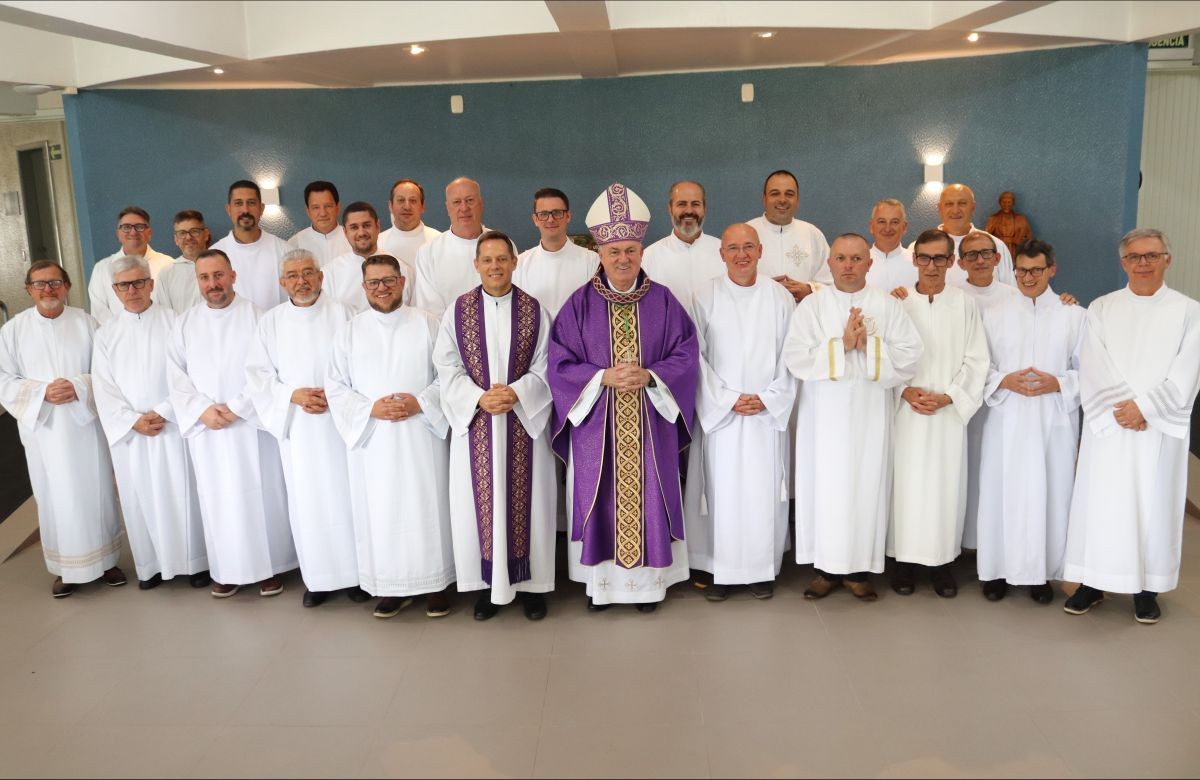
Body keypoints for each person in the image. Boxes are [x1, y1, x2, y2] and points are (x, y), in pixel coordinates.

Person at [548, 183, 700, 612]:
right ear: (599, 253)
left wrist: (652, 375)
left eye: (630, 250)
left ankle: (648, 588)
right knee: (600, 498)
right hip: (598, 427)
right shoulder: (579, 305)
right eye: (614, 251)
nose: (622, 258)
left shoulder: (664, 301)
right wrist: (602, 377)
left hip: (650, 422)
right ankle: (602, 587)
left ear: (641, 252)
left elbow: (687, 354)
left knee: (650, 494)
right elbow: (559, 364)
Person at [1063, 228, 1200, 624]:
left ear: (1167, 259)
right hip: (1111, 426)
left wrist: (1145, 409)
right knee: (1102, 505)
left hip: (1157, 429)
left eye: (1152, 255)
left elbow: (1189, 369)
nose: (1143, 263)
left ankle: (1146, 588)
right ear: (1123, 263)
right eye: (1135, 257)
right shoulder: (1102, 308)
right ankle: (1093, 583)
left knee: (1153, 507)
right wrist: (1124, 410)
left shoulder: (1189, 312)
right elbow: (1091, 362)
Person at [786, 233, 923, 601]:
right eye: (841, 258)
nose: (848, 266)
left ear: (869, 263)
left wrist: (868, 346)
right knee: (825, 488)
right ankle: (824, 570)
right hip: (823, 418)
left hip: (869, 415)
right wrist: (843, 345)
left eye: (856, 258)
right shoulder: (812, 306)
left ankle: (858, 571)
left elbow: (910, 355)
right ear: (829, 263)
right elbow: (795, 357)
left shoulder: (887, 306)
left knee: (865, 486)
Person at [325, 254, 456, 619]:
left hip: (422, 435)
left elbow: (449, 375)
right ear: (363, 287)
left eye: (388, 280)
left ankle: (435, 584)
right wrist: (370, 410)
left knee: (426, 505)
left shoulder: (428, 323)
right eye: (373, 282)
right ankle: (390, 586)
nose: (381, 288)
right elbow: (335, 386)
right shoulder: (349, 332)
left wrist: (421, 402)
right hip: (375, 440)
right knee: (382, 510)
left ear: (401, 282)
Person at [434, 231, 555, 621]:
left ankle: (532, 588)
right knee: (479, 508)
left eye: (502, 258)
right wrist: (477, 397)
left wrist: (518, 393)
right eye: (487, 260)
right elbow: (446, 365)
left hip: (523, 422)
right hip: (477, 423)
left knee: (530, 506)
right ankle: (489, 588)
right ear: (476, 265)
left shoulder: (535, 311)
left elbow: (547, 365)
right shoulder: (457, 312)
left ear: (514, 262)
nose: (495, 266)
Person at [165, 249, 297, 598]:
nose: (213, 283)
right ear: (197, 281)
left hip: (250, 425)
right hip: (208, 428)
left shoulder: (257, 317)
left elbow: (269, 371)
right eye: (205, 277)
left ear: (233, 276)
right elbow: (175, 376)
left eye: (219, 275)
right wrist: (202, 409)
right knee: (218, 498)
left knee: (261, 494)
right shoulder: (184, 323)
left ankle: (269, 568)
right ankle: (227, 569)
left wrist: (238, 407)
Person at [245, 249, 366, 608]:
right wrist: (292, 395)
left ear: (320, 277)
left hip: (340, 425)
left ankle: (358, 576)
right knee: (308, 501)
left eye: (308, 273)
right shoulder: (270, 323)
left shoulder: (345, 313)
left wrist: (337, 395)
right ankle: (318, 579)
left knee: (348, 498)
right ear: (282, 282)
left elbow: (363, 362)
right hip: (299, 428)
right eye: (293, 275)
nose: (302, 281)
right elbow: (258, 375)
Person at [0, 260, 125, 597]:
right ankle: (65, 570)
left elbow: (106, 372)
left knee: (97, 491)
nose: (48, 289)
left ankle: (107, 561)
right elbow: (4, 379)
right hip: (44, 429)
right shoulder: (13, 331)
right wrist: (42, 392)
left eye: (55, 282)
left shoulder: (88, 324)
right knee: (53, 496)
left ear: (67, 286)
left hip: (85, 427)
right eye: (40, 284)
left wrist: (79, 386)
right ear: (28, 289)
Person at [687, 223, 797, 601]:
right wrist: (726, 399)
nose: (741, 255)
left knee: (761, 493)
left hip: (765, 416)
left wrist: (769, 398)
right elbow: (695, 357)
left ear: (760, 251)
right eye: (733, 248)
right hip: (722, 417)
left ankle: (759, 570)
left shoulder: (780, 298)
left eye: (749, 247)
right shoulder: (704, 296)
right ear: (722, 254)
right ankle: (721, 571)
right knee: (722, 493)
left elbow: (790, 355)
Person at [976, 239, 1084, 603]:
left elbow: (1089, 370)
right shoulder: (995, 314)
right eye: (1021, 270)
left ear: (1052, 269)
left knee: (1049, 495)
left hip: (1053, 420)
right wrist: (1003, 380)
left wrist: (1060, 383)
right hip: (1006, 418)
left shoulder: (1074, 315)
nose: (1027, 277)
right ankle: (997, 571)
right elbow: (980, 365)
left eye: (1036, 270)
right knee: (1000, 492)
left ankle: (1041, 574)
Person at [92, 255, 209, 590]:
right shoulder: (106, 335)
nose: (132, 290)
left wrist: (164, 410)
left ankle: (196, 563)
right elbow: (103, 386)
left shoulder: (176, 322)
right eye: (124, 285)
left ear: (151, 284)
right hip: (133, 434)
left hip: (172, 426)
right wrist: (133, 421)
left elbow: (190, 373)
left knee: (183, 493)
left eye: (138, 282)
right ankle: (151, 566)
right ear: (115, 290)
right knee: (140, 497)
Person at [889, 229, 989, 597]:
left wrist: (950, 396)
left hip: (946, 414)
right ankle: (903, 562)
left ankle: (942, 563)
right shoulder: (897, 303)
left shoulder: (964, 304)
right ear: (915, 259)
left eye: (940, 259)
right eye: (925, 258)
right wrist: (903, 390)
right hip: (907, 411)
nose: (931, 266)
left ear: (951, 262)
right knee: (905, 487)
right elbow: (884, 355)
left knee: (944, 488)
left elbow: (977, 359)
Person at [413, 177, 500, 318]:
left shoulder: (502, 245)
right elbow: (430, 313)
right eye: (457, 202)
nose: (464, 208)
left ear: (481, 203)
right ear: (448, 208)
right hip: (448, 331)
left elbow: (511, 298)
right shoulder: (428, 253)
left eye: (470, 200)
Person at [747, 170, 832, 303]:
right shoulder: (746, 233)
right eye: (775, 193)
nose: (782, 200)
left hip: (802, 313)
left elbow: (833, 284)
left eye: (789, 194)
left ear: (797, 199)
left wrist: (809, 290)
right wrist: (763, 288)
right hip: (758, 313)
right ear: (764, 199)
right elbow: (729, 283)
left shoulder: (813, 234)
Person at [513, 187, 598, 319]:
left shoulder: (592, 262)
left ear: (568, 216)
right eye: (543, 214)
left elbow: (596, 311)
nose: (550, 219)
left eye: (557, 213)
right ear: (535, 219)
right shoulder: (519, 265)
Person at [640, 180, 725, 310]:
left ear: (704, 208)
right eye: (681, 204)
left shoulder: (725, 253)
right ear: (670, 208)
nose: (689, 210)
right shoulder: (649, 257)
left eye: (695, 204)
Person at [211, 180, 290, 312]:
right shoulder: (214, 254)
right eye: (238, 203)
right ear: (228, 209)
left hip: (276, 323)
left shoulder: (285, 250)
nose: (245, 210)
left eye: (251, 203)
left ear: (261, 208)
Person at [87, 206, 175, 325]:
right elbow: (100, 315)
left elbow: (176, 306)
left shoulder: (168, 264)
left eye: (139, 227)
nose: (133, 232)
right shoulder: (102, 269)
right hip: (119, 335)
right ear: (118, 234)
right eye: (126, 227)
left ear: (149, 233)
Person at [323, 201, 412, 311]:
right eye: (354, 227)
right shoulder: (330, 273)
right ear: (345, 232)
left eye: (366, 225)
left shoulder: (402, 269)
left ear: (378, 226)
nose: (361, 233)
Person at [926, 183, 1015, 287]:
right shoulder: (921, 248)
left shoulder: (996, 245)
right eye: (949, 204)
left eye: (962, 203)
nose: (955, 210)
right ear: (939, 208)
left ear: (973, 207)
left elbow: (1010, 291)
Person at [378, 178, 441, 267]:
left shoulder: (438, 241)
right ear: (390, 206)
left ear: (423, 206)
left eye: (413, 201)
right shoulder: (378, 243)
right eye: (401, 200)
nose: (407, 207)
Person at [286, 180, 351, 266]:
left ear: (338, 208)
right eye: (316, 207)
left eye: (328, 206)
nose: (323, 213)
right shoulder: (295, 244)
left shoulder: (353, 239)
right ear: (308, 211)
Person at [156, 210, 210, 314]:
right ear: (176, 239)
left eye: (194, 231)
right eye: (182, 233)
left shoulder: (222, 266)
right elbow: (165, 315)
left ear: (206, 234)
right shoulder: (166, 274)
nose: (188, 237)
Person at [864, 198, 916, 292]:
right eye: (882, 221)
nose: (887, 229)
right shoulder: (857, 263)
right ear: (871, 226)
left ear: (904, 227)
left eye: (894, 222)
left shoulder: (919, 263)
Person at [984, 191, 1033, 258]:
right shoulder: (993, 219)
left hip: (1016, 253)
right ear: (999, 203)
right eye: (1003, 202)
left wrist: (1019, 241)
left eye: (1009, 202)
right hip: (998, 252)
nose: (1006, 204)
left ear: (1013, 203)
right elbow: (985, 238)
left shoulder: (1021, 219)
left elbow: (1029, 239)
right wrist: (1006, 240)